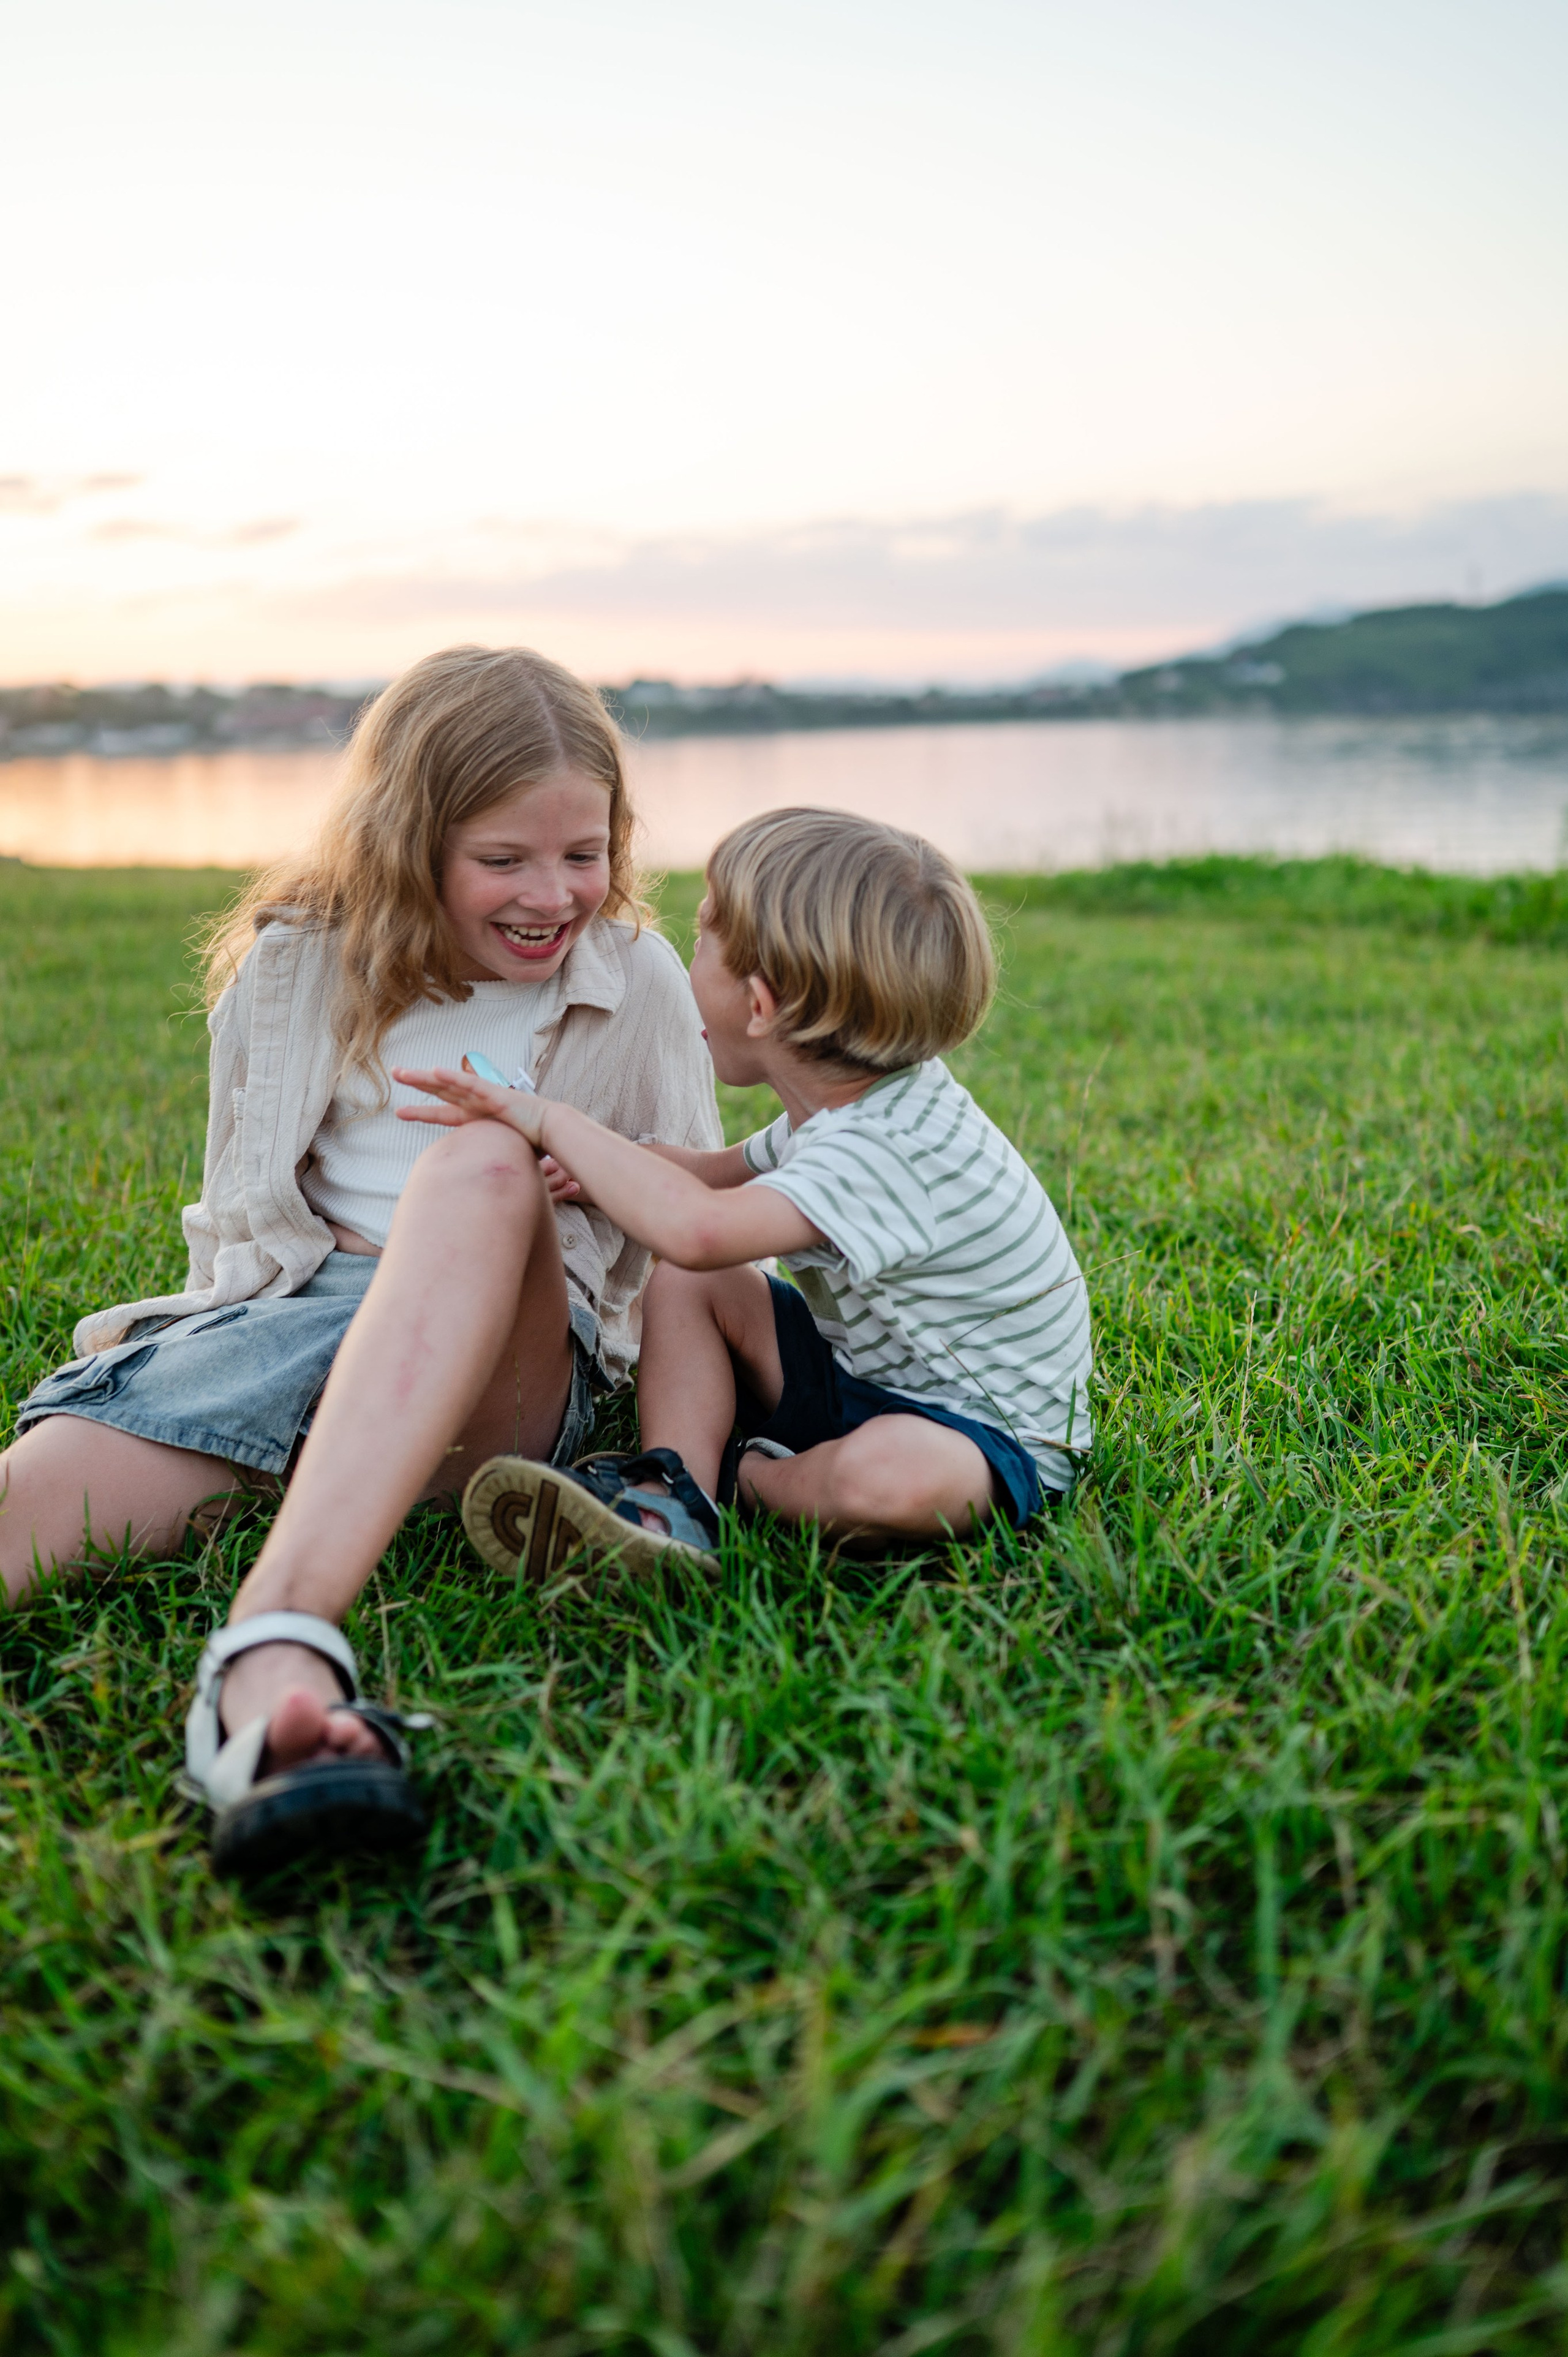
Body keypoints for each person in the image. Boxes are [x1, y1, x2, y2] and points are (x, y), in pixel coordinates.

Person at [0, 646, 720, 1872]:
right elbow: (241, 1213)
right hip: (295, 1323)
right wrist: (202, 1365)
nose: (553, 894)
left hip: (501, 1364)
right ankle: (284, 1683)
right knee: (26, 1514)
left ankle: (277, 1635)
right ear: (409, 839)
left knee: (482, 1165)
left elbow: (691, 1210)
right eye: (504, 859)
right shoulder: (293, 960)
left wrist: (593, 1168)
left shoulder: (635, 975)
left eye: (584, 853)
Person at [396, 806, 1093, 1576]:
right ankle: (671, 1491)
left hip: (981, 1437)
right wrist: (591, 1166)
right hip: (864, 1378)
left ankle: (741, 1480)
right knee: (690, 1283)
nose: (687, 956)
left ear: (759, 1006)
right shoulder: (848, 1105)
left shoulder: (885, 1149)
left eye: (701, 939)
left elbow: (698, 1227)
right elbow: (706, 1175)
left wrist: (551, 1120)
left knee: (894, 1477)